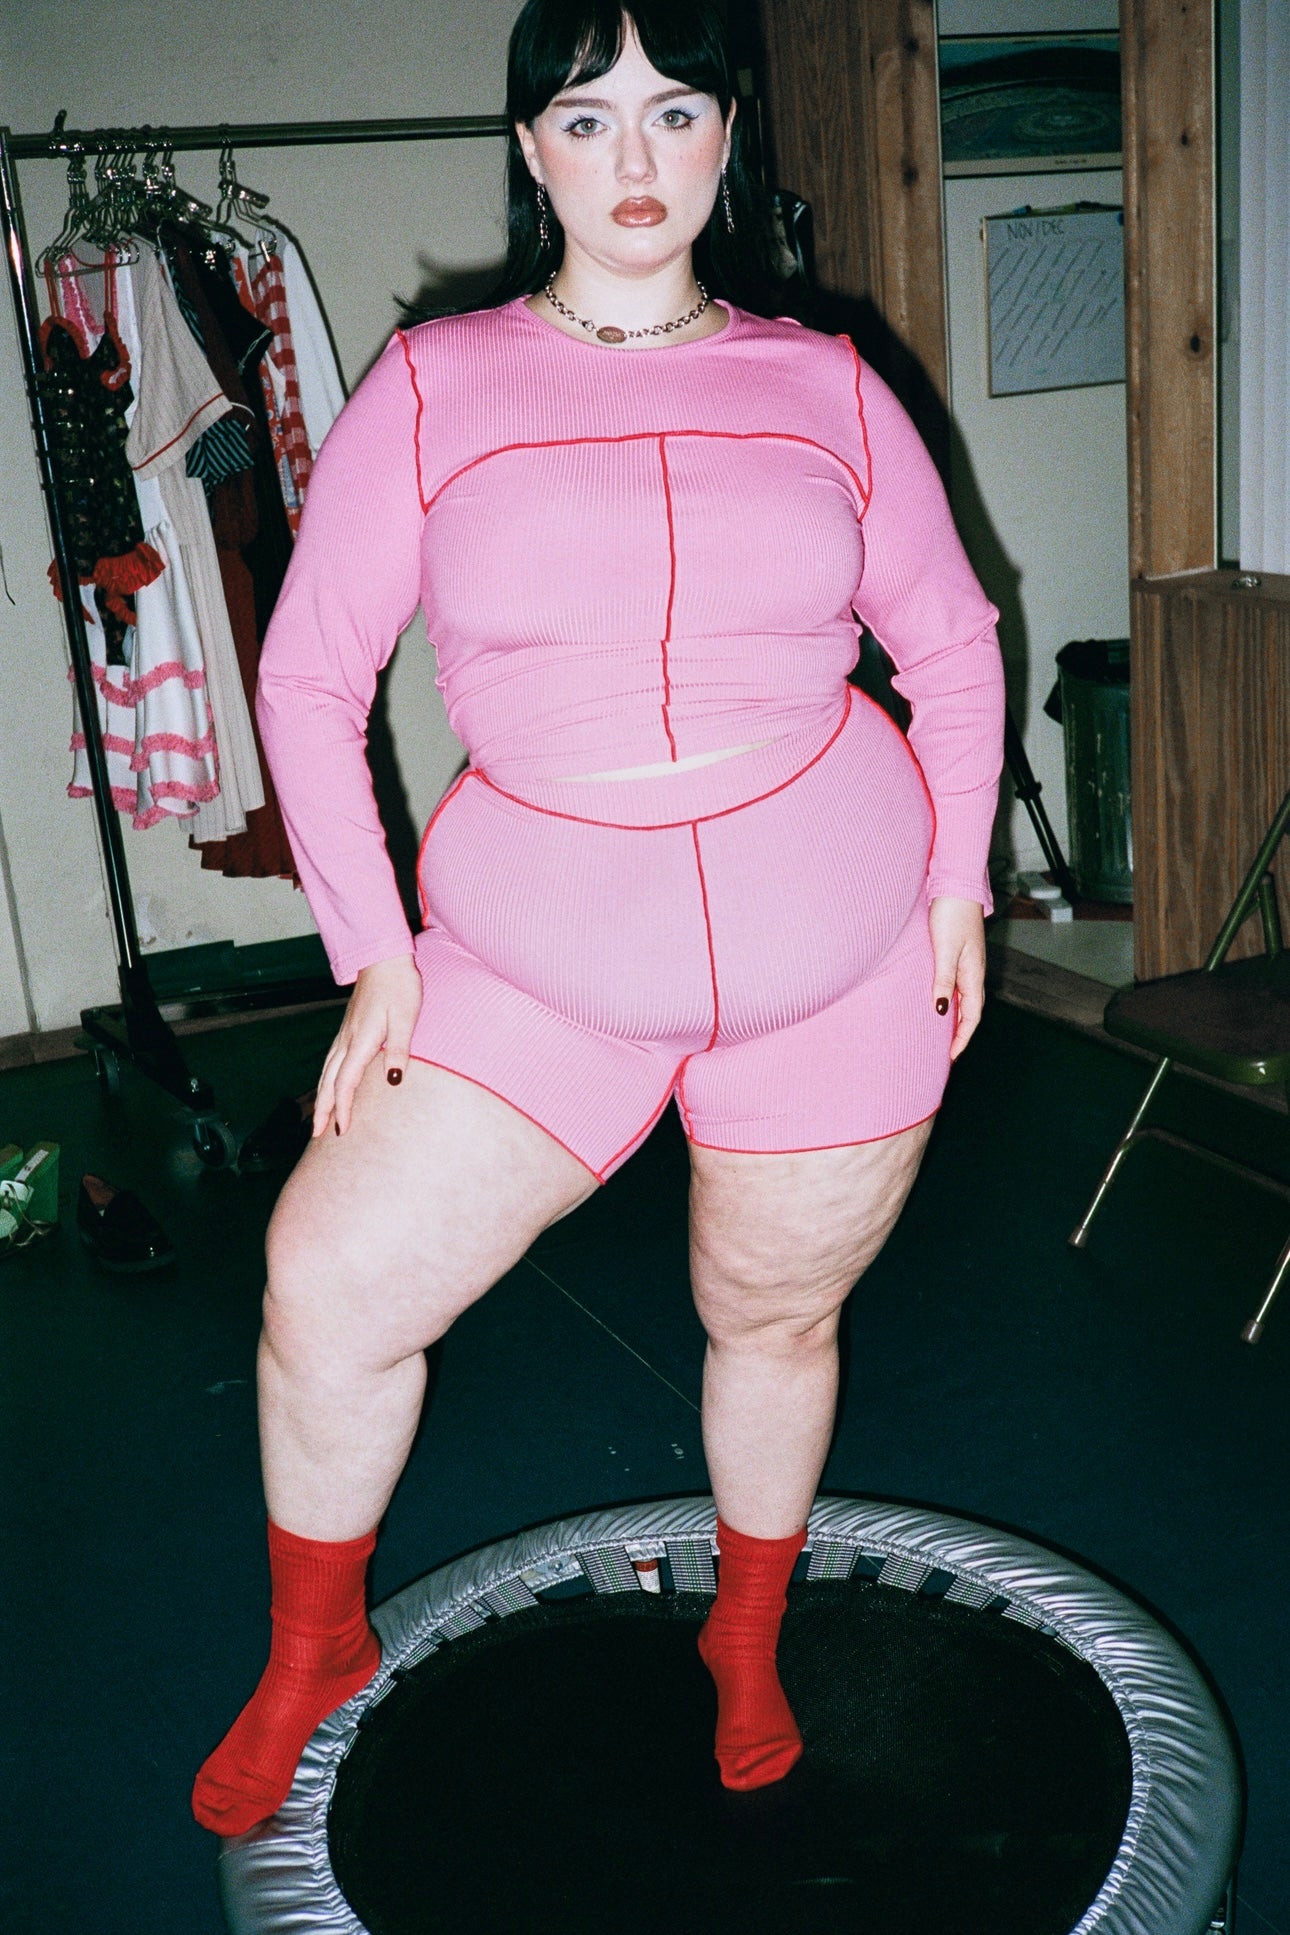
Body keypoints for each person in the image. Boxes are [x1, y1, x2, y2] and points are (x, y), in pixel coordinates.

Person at [191, 0, 1004, 1837]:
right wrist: (370, 950)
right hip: (536, 955)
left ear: (727, 136)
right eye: (584, 117)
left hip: (841, 948)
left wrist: (957, 878)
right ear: (528, 149)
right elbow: (307, 679)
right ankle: (313, 1641)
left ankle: (745, 1627)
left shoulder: (826, 381)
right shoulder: (434, 383)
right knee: (328, 1290)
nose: (633, 160)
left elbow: (952, 649)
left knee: (771, 1320)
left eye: (673, 111)